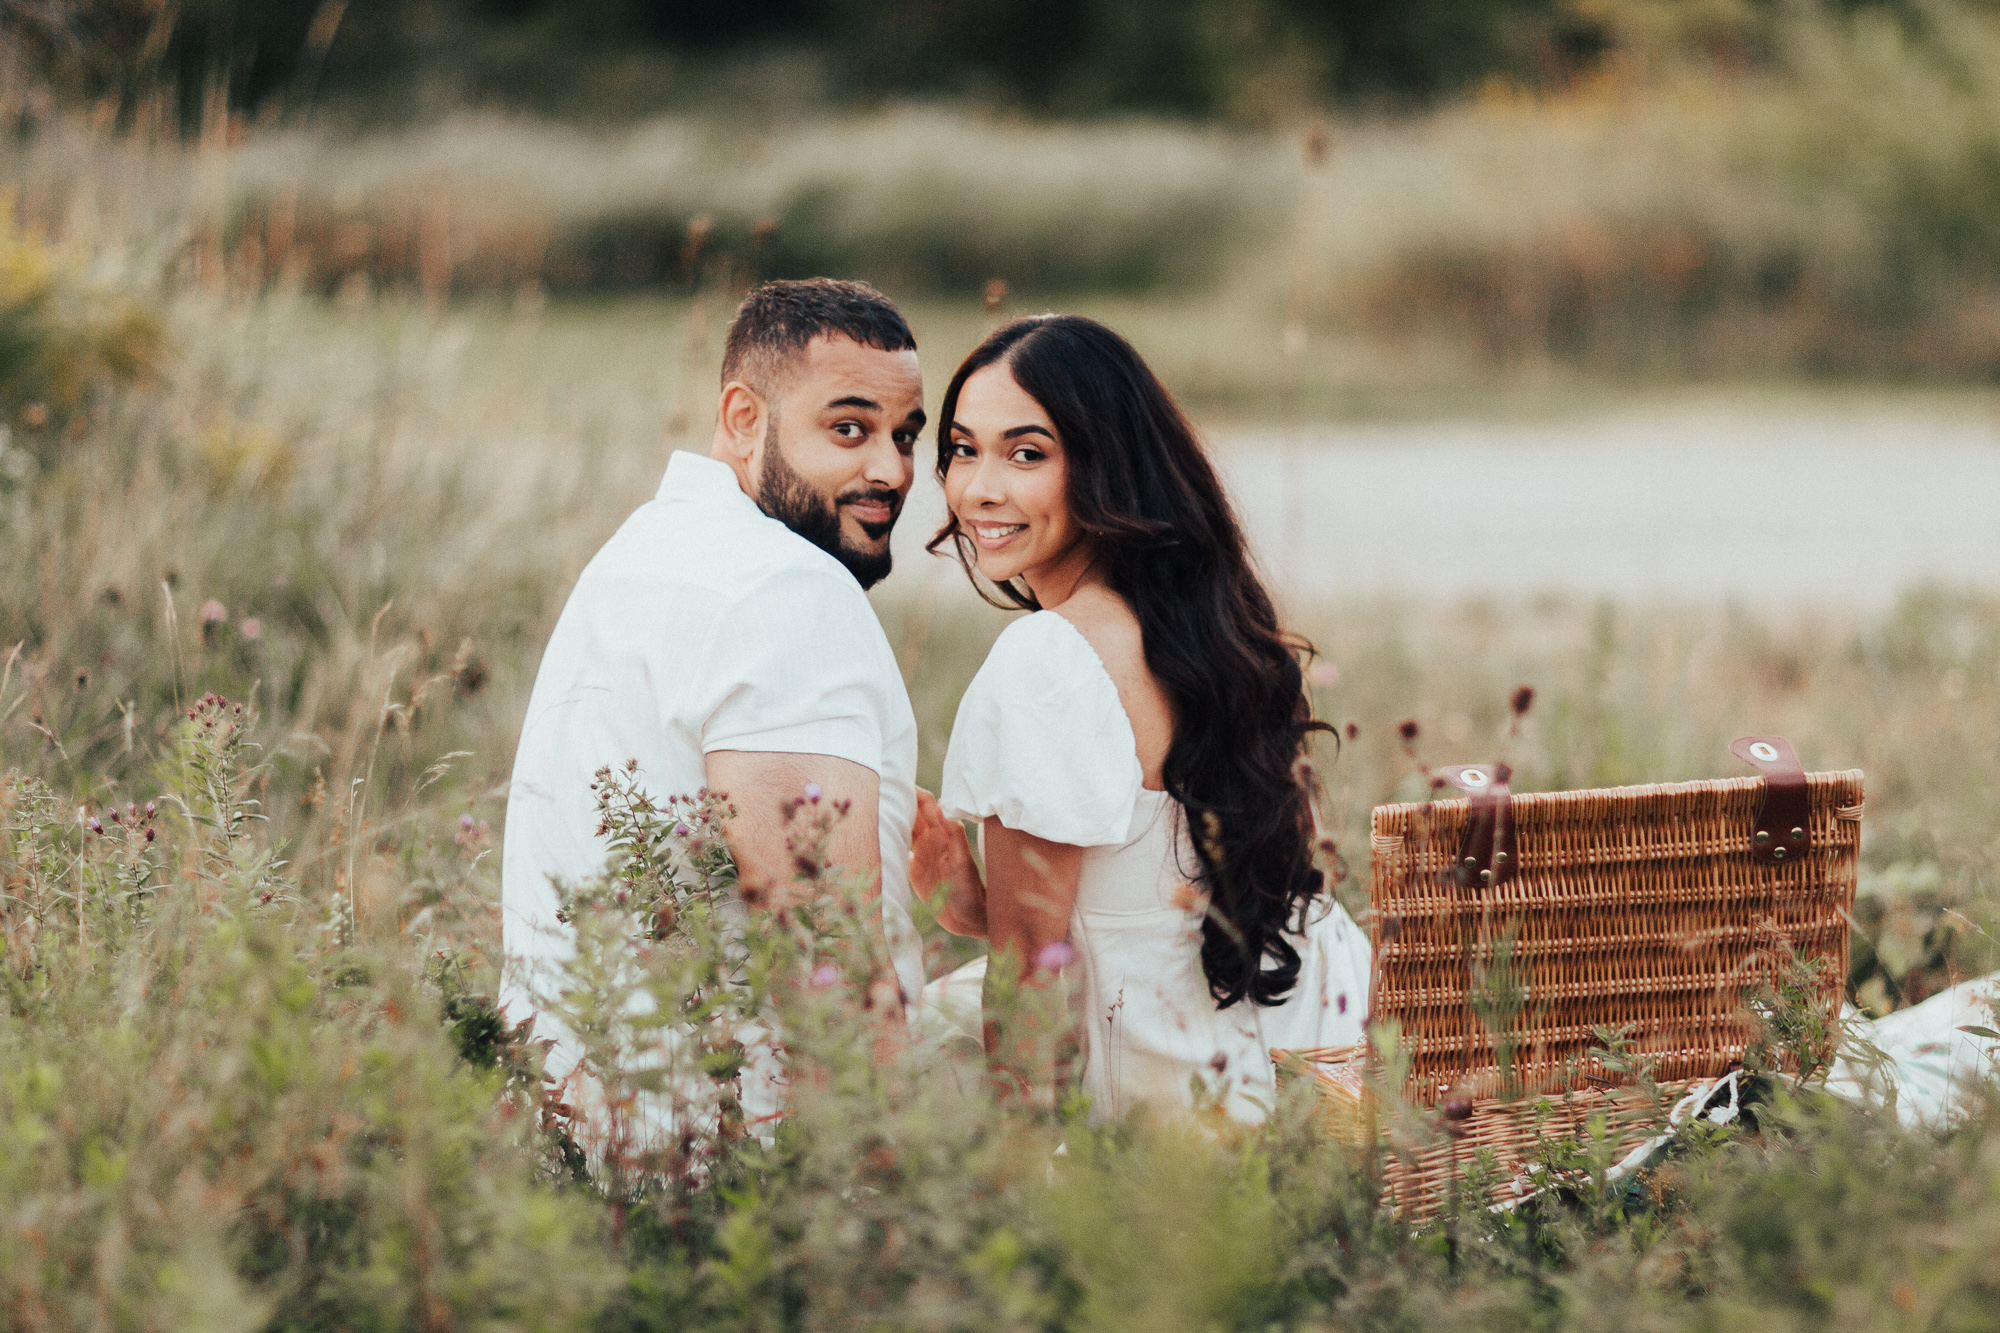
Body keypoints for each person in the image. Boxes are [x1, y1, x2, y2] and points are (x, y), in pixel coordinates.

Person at [909, 314, 1369, 1123]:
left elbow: (1032, 981)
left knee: (895, 1058)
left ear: (1104, 467)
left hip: (1175, 1124)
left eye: (1026, 453)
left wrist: (1026, 1205)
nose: (979, 487)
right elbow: (1158, 916)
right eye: (961, 448)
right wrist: (969, 906)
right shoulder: (1221, 636)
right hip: (1319, 1080)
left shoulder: (1050, 662)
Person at [501, 278, 930, 1121]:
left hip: (585, 1134)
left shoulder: (640, 552)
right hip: (737, 1166)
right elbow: (828, 976)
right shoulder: (788, 587)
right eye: (849, 429)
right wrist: (885, 1210)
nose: (892, 470)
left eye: (905, 436)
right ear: (743, 417)